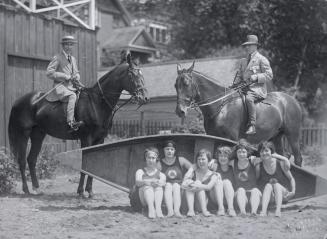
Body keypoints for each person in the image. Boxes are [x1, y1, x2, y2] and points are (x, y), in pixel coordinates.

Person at [233, 35, 273, 134]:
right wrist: (234, 84)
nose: (247, 47)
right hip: (243, 88)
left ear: (255, 46)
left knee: (249, 99)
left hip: (256, 89)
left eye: (249, 45)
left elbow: (269, 75)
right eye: (246, 46)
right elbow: (239, 75)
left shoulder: (261, 59)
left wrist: (256, 77)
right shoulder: (243, 61)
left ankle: (252, 125)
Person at [46, 35, 85, 131]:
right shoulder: (57, 57)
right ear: (63, 46)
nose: (69, 46)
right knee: (73, 96)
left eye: (71, 44)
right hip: (61, 87)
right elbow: (49, 73)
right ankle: (70, 122)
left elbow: (76, 72)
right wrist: (65, 76)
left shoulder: (73, 59)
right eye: (67, 44)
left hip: (72, 86)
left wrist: (77, 76)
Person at [254, 141, 296, 217]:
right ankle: (263, 211)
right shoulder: (259, 166)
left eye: (266, 151)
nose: (264, 153)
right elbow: (256, 181)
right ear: (259, 153)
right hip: (269, 197)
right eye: (262, 151)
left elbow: (291, 178)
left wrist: (293, 191)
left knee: (276, 185)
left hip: (283, 194)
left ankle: (278, 211)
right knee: (268, 185)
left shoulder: (280, 163)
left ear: (272, 152)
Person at [182, 149, 224, 217]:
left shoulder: (214, 174)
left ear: (209, 161)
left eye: (203, 159)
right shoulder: (193, 172)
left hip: (208, 202)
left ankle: (218, 209)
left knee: (199, 183)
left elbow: (209, 187)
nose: (201, 161)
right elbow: (183, 184)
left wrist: (198, 185)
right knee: (190, 182)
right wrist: (192, 168)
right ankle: (191, 210)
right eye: (199, 159)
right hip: (196, 204)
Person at [158, 140, 192, 217]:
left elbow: (193, 168)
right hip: (166, 188)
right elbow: (155, 174)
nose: (169, 151)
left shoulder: (180, 160)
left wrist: (187, 178)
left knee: (176, 185)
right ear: (163, 150)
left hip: (180, 187)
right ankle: (170, 211)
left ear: (174, 151)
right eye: (167, 149)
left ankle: (177, 211)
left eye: (172, 149)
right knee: (169, 185)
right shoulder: (159, 163)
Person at [135, 147, 166, 219]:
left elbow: (163, 183)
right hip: (144, 199)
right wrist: (148, 182)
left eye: (153, 158)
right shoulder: (140, 171)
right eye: (149, 158)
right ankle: (151, 209)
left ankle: (158, 209)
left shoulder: (161, 174)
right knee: (147, 187)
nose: (151, 160)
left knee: (159, 187)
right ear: (146, 158)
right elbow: (138, 182)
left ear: (156, 159)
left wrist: (157, 183)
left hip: (156, 198)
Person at [232, 139, 261, 216]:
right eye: (239, 152)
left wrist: (285, 159)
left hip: (254, 195)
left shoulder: (252, 161)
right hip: (240, 196)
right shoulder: (233, 163)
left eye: (244, 152)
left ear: (247, 152)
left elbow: (267, 157)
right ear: (236, 153)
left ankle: (253, 212)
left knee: (255, 190)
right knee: (241, 189)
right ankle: (242, 212)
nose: (241, 154)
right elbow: (222, 161)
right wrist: (214, 161)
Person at [213, 146, 236, 217]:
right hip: (216, 196)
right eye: (221, 156)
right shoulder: (215, 166)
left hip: (229, 198)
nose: (223, 158)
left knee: (226, 182)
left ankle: (230, 209)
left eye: (225, 156)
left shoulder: (232, 168)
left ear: (229, 158)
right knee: (219, 181)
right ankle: (220, 208)